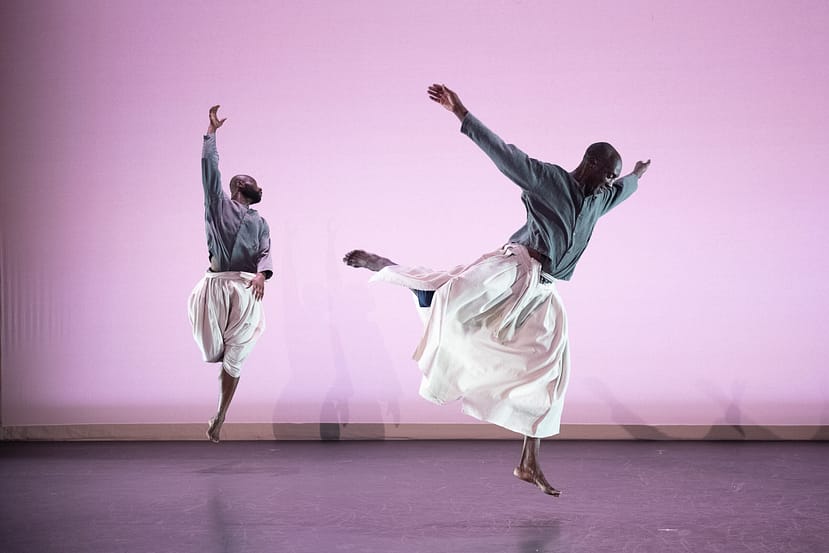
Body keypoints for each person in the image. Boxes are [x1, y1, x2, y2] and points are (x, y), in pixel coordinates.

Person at [344, 84, 650, 496]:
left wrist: (636, 175)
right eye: (608, 174)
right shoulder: (548, 179)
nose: (609, 183)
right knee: (450, 296)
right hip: (513, 269)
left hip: (543, 292)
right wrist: (461, 113)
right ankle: (389, 268)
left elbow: (623, 189)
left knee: (551, 370)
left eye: (613, 178)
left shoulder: (599, 198)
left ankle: (528, 462)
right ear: (590, 163)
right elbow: (503, 153)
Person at [188, 105, 273, 443]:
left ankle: (221, 413)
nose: (256, 184)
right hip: (215, 287)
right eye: (250, 180)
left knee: (235, 356)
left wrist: (262, 275)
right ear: (238, 185)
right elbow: (210, 169)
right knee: (212, 350)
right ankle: (220, 406)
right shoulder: (217, 205)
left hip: (246, 288)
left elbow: (265, 252)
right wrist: (211, 134)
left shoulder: (260, 221)